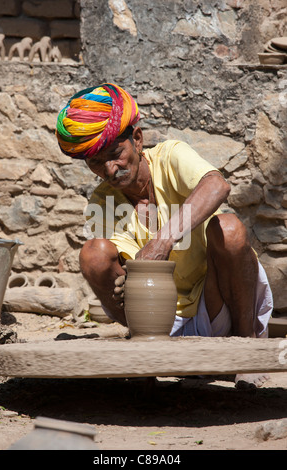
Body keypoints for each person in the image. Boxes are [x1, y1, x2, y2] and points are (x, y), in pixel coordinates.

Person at [56, 83, 273, 389]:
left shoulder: (171, 156)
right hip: (161, 319)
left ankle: (246, 348)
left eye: (116, 153)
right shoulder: (102, 202)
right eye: (95, 162)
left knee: (229, 228)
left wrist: (162, 241)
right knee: (92, 254)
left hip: (214, 303)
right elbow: (115, 267)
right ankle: (145, 349)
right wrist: (120, 281)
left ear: (138, 139)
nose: (109, 169)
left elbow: (217, 185)